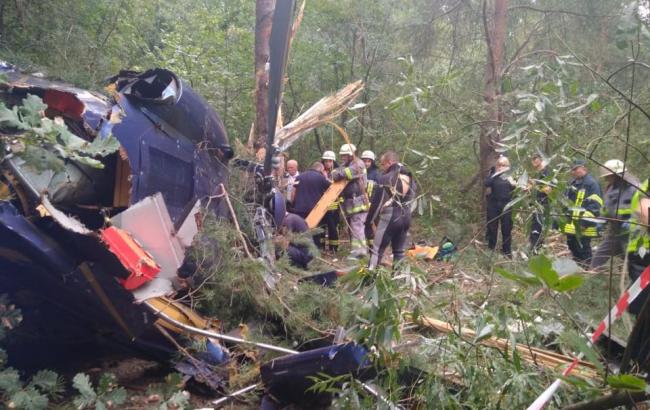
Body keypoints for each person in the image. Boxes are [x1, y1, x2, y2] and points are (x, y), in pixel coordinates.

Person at [367, 151, 415, 270]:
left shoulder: (386, 178)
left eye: (383, 165)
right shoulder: (411, 179)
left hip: (391, 217)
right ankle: (398, 280)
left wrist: (369, 222)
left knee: (376, 250)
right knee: (399, 251)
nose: (383, 168)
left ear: (389, 162)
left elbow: (376, 204)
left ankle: (369, 279)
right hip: (406, 217)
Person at [590, 159, 639, 270]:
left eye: (608, 176)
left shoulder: (635, 188)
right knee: (598, 259)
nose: (606, 179)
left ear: (617, 175)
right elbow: (606, 208)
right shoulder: (610, 188)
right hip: (614, 233)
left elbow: (643, 209)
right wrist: (601, 221)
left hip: (632, 234)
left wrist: (633, 220)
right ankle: (591, 277)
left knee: (633, 264)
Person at [559, 159, 603, 266]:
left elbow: (595, 206)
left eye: (576, 169)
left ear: (584, 169)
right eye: (572, 170)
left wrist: (584, 223)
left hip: (585, 226)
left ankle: (588, 270)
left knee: (584, 248)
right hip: (571, 225)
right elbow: (565, 203)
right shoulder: (571, 184)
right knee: (572, 246)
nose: (573, 172)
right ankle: (579, 268)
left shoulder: (592, 184)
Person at [331, 143, 368, 259]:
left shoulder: (358, 165)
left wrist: (337, 173)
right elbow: (336, 172)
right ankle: (356, 251)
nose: (342, 158)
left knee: (357, 225)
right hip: (350, 202)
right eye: (342, 156)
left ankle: (359, 252)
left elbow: (342, 173)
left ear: (351, 155)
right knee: (353, 226)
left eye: (345, 155)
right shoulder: (347, 164)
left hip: (358, 201)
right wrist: (336, 173)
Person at [484, 156, 516, 257]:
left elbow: (516, 187)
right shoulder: (493, 175)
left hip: (506, 205)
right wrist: (494, 173)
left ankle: (507, 251)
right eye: (499, 165)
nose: (501, 167)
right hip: (493, 205)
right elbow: (486, 183)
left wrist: (511, 179)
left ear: (508, 166)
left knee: (506, 228)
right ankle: (491, 249)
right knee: (492, 227)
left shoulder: (511, 176)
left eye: (503, 165)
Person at [529, 153, 551, 251]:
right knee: (533, 227)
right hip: (534, 204)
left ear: (541, 161)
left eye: (536, 160)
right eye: (533, 161)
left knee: (538, 227)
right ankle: (533, 248)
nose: (534, 163)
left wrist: (535, 186)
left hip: (542, 204)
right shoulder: (536, 174)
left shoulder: (547, 174)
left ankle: (537, 248)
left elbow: (548, 190)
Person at [321, 150, 341, 252]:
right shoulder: (320, 172)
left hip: (334, 205)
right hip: (322, 204)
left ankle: (334, 248)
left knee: (333, 227)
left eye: (330, 161)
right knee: (321, 226)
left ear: (333, 162)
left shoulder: (338, 172)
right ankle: (321, 247)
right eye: (326, 161)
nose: (328, 163)